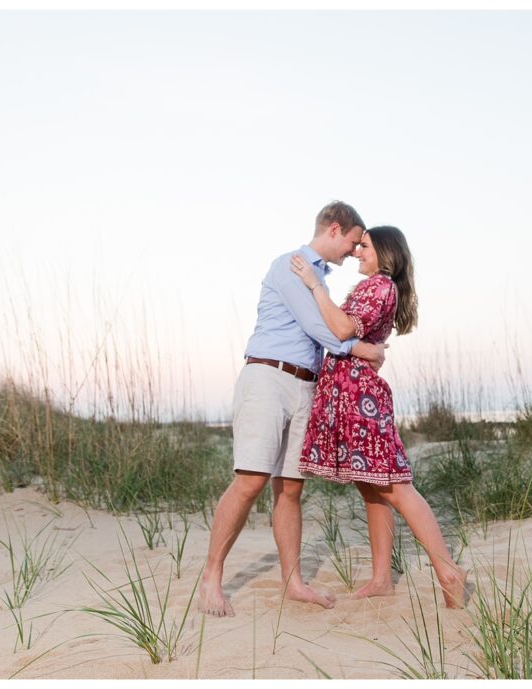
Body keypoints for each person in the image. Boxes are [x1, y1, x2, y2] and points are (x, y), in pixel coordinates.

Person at [199, 201, 387, 617]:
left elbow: (324, 332)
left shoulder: (318, 277)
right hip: (268, 377)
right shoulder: (291, 264)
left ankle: (293, 582)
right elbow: (318, 328)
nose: (355, 251)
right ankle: (212, 575)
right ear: (335, 230)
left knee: (290, 489)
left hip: (306, 385)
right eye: (355, 242)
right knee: (250, 481)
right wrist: (363, 348)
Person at [290, 226, 467, 608]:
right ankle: (383, 578)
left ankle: (448, 571)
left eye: (364, 247)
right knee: (372, 488)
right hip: (349, 396)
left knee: (394, 486)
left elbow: (340, 328)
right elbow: (347, 335)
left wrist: (313, 284)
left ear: (385, 253)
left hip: (360, 399)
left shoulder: (380, 286)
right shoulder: (376, 287)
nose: (356, 252)